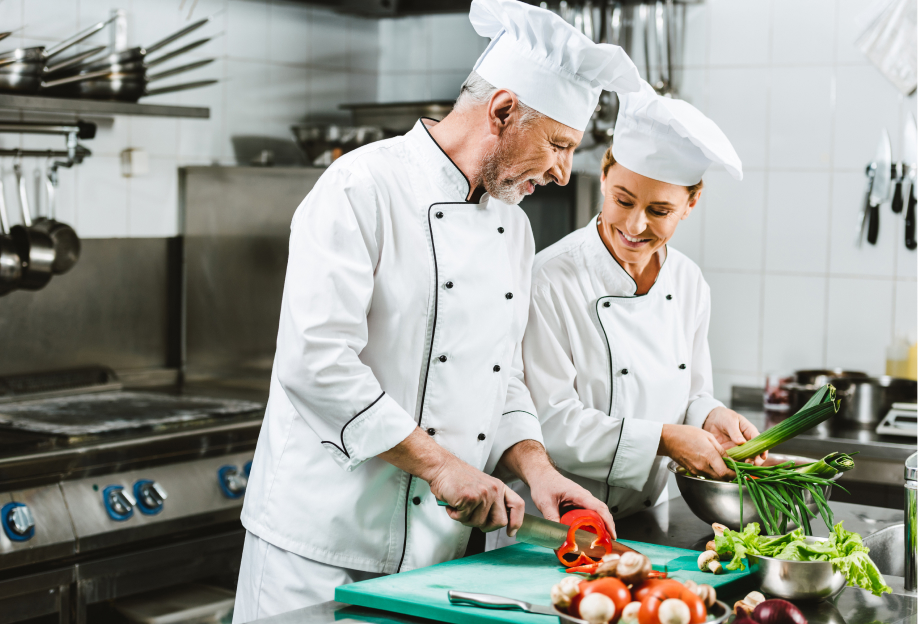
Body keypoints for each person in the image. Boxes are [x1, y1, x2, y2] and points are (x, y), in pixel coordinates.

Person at [232, 1, 642, 620]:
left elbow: (498, 376)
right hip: (320, 544)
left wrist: (538, 471)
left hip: (434, 555)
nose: (562, 173)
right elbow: (316, 363)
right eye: (557, 145)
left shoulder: (513, 226)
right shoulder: (361, 188)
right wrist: (441, 466)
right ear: (503, 111)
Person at [486, 79, 764, 551]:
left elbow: (691, 392)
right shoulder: (550, 278)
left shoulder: (690, 283)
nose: (634, 226)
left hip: (647, 522)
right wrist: (666, 439)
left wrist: (711, 415)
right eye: (623, 200)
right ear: (605, 175)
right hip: (556, 526)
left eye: (659, 210)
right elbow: (551, 423)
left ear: (691, 204)